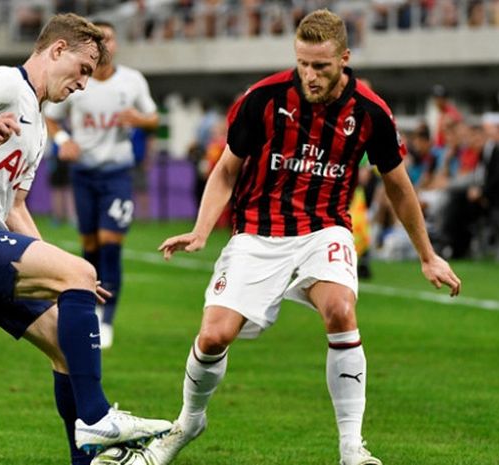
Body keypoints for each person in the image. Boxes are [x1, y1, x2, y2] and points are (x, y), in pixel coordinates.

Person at [148, 9, 461, 465]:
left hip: (324, 229)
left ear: (344, 59)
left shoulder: (370, 111)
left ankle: (351, 447)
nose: (310, 76)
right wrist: (200, 230)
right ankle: (189, 420)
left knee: (340, 309)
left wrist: (428, 256)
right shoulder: (263, 99)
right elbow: (226, 170)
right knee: (214, 337)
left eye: (322, 66)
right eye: (303, 64)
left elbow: (398, 185)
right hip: (258, 232)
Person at [0, 13, 170, 465]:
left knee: (64, 344)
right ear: (57, 50)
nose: (83, 85)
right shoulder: (3, 83)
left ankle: (86, 459)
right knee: (81, 272)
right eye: (83, 70)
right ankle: (97, 416)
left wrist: (63, 270)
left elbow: (15, 209)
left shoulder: (36, 127)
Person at [44, 20, 159, 350]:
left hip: (117, 174)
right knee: (90, 247)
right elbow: (51, 116)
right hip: (83, 174)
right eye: (97, 40)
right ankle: (91, 311)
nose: (104, 45)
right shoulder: (80, 80)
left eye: (108, 38)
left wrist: (139, 120)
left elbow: (153, 117)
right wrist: (63, 140)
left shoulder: (132, 81)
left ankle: (107, 319)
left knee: (111, 244)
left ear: (115, 44)